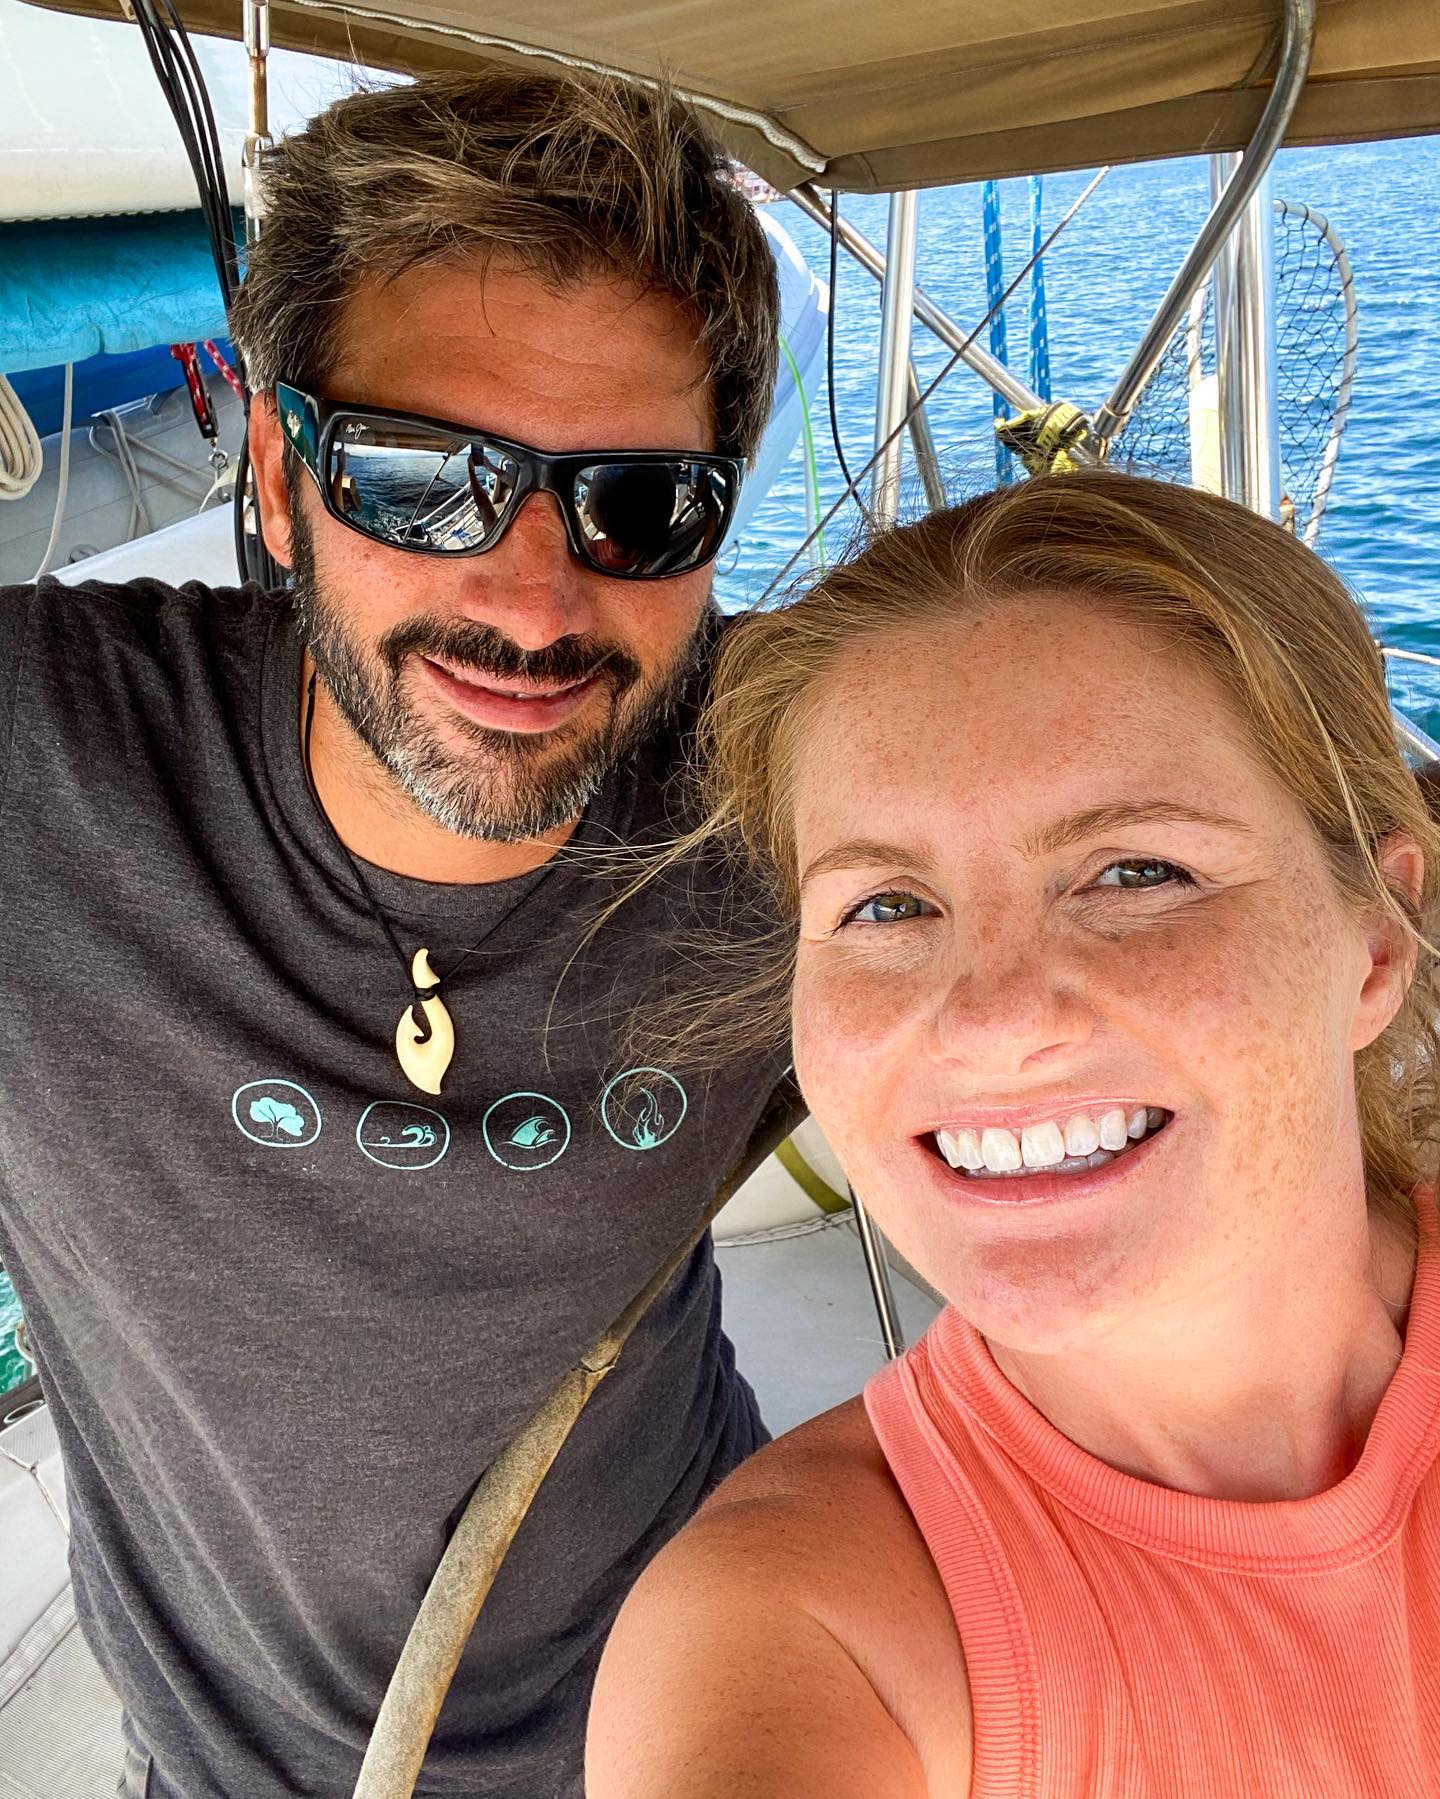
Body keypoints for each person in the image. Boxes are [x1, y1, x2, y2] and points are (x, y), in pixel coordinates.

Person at [0, 68, 796, 1799]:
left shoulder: (800, 790)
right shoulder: (39, 771)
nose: (529, 599)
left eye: (636, 505)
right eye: (421, 477)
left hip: (715, 1706)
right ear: (279, 481)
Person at [587, 468, 1440, 1797]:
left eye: (1134, 873)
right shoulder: (800, 1631)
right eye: (884, 906)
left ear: (1375, 942)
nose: (989, 1021)